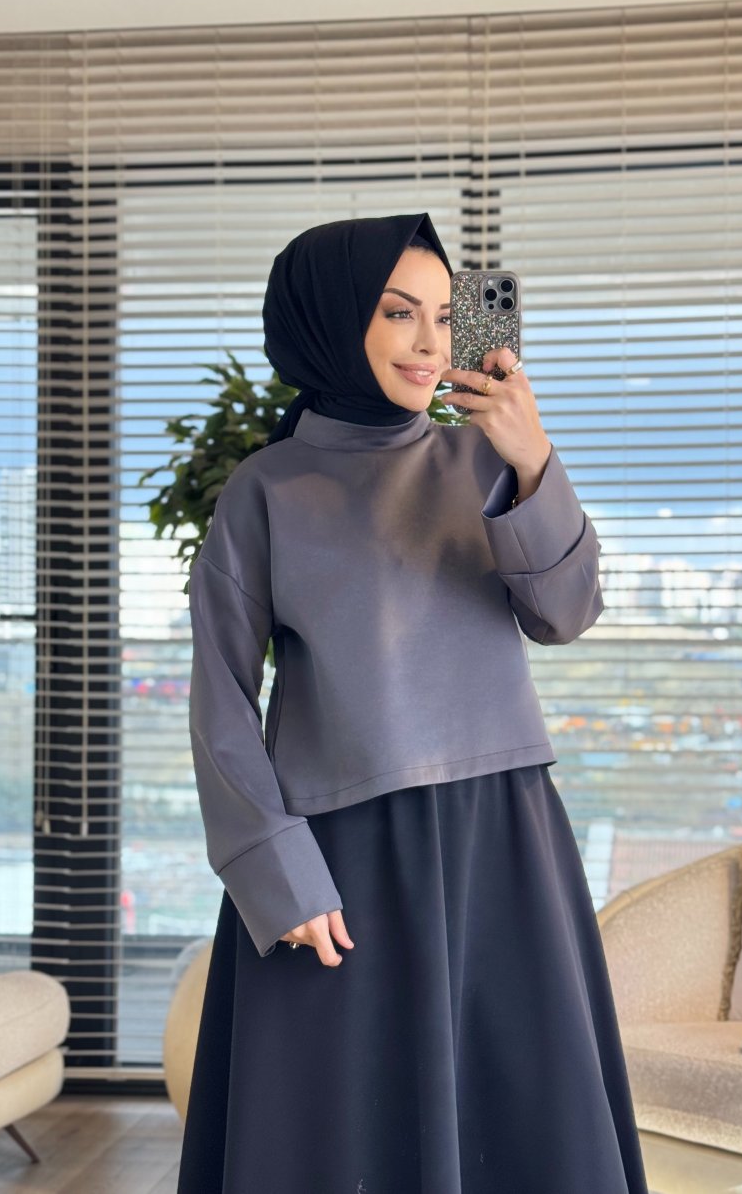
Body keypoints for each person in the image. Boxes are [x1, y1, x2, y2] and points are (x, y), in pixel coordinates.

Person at [176, 212, 649, 1193]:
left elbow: (565, 614)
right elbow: (221, 696)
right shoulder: (264, 489)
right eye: (398, 312)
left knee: (524, 1121)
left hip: (501, 838)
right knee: (333, 1131)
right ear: (329, 316)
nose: (431, 341)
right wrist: (273, 869)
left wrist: (533, 458)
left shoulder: (485, 460)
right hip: (337, 854)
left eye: (444, 313)